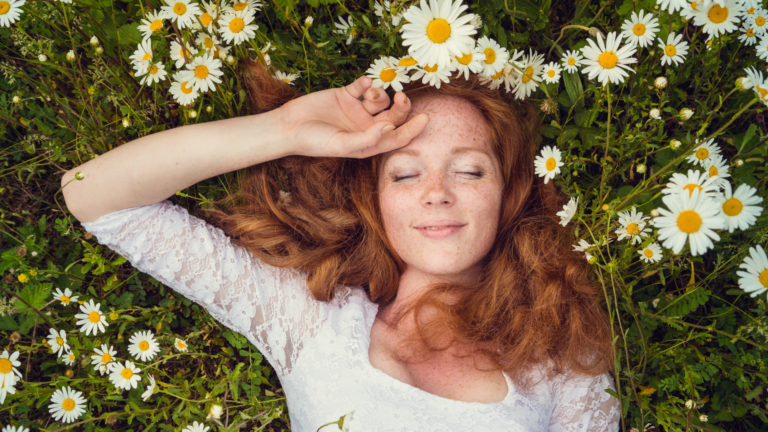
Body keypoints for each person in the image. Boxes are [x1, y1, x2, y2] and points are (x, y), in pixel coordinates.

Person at [61, 59, 621, 431]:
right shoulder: (309, 319)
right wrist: (285, 128)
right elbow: (94, 196)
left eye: (470, 172)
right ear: (374, 199)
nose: (436, 195)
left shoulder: (562, 355)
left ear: (508, 193)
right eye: (404, 175)